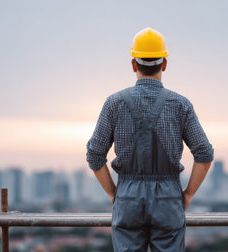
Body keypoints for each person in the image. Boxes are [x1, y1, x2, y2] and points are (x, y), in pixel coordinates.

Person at [86, 27, 213, 252]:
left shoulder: (114, 103)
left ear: (134, 64)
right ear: (164, 64)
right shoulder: (181, 105)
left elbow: (95, 154)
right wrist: (188, 194)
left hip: (127, 197)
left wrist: (114, 193)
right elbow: (204, 154)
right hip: (169, 198)